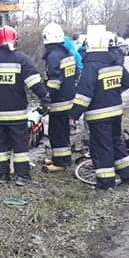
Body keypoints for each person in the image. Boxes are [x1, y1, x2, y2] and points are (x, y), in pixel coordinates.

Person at [0, 25, 51, 185]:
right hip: (16, 113)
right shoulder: (21, 59)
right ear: (15, 41)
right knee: (19, 146)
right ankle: (22, 176)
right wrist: (45, 98)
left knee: (0, 144)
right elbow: (34, 82)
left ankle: (2, 175)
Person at [69, 30, 129, 190]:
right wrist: (112, 94)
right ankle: (128, 173)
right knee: (116, 142)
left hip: (98, 115)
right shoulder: (114, 61)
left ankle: (106, 182)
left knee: (102, 147)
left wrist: (73, 115)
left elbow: (84, 94)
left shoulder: (91, 66)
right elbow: (128, 82)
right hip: (115, 111)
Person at [41, 23, 79, 172]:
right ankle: (59, 158)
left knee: (57, 133)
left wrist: (46, 96)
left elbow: (55, 81)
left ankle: (61, 163)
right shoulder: (67, 54)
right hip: (69, 99)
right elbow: (75, 75)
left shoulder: (53, 56)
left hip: (59, 103)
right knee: (63, 132)